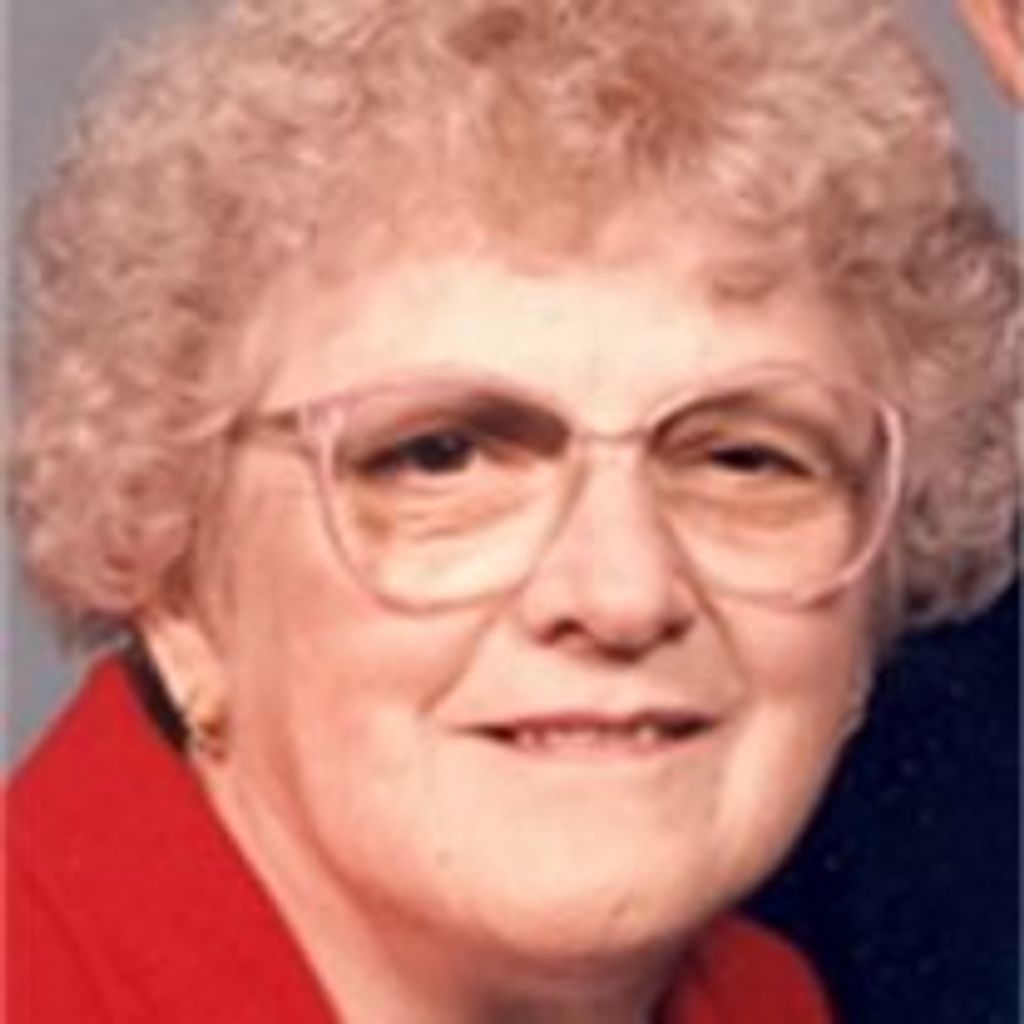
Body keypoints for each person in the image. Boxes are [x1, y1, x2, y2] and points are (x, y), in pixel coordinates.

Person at [7, 1, 1019, 1021]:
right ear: (177, 586)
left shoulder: (773, 997)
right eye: (439, 457)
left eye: (743, 460)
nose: (623, 593)